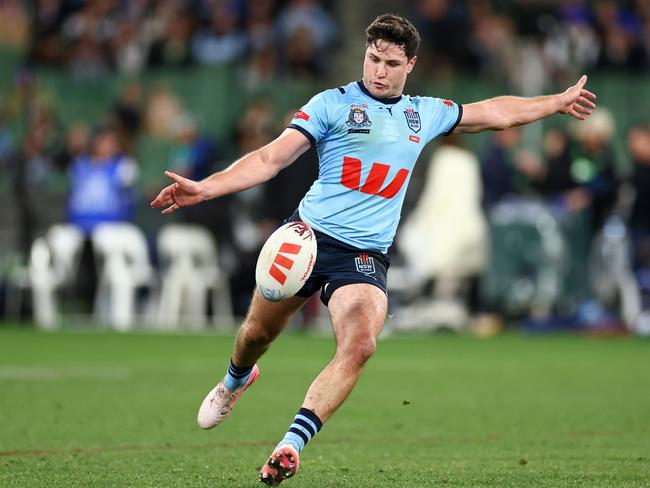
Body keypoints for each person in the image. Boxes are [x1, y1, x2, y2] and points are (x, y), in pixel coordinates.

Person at [151, 13, 597, 486]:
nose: (378, 71)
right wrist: (206, 188)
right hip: (307, 237)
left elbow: (494, 111)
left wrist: (557, 101)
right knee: (256, 336)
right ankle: (235, 379)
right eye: (372, 59)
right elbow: (269, 159)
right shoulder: (331, 104)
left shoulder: (422, 113)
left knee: (361, 344)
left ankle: (290, 445)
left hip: (362, 256)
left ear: (410, 65)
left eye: (389, 63)